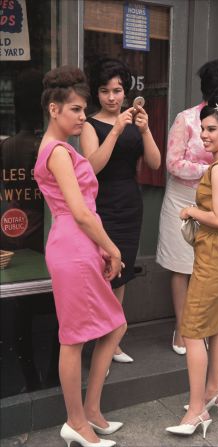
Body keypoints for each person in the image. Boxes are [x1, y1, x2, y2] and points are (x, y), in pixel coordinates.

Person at [34, 65, 127, 447]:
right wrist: (112, 247)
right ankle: (76, 420)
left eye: (82, 109)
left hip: (79, 246)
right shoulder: (56, 151)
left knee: (113, 326)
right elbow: (81, 211)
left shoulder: (63, 148)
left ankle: (90, 411)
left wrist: (101, 247)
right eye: (74, 109)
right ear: (54, 109)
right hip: (74, 246)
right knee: (73, 339)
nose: (81, 116)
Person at [166, 86, 218, 438]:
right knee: (217, 325)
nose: (204, 134)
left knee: (192, 330)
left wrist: (190, 210)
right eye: (202, 129)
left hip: (216, 251)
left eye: (212, 129)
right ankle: (214, 390)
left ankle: (198, 410)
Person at [156, 59, 218, 354]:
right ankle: (183, 329)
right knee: (182, 267)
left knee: (206, 267)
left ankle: (202, 327)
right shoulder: (186, 119)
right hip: (184, 199)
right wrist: (214, 170)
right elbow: (172, 163)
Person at [80, 58, 160, 363]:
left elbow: (154, 163)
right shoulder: (90, 124)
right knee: (102, 273)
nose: (112, 97)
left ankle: (113, 341)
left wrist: (146, 130)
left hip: (130, 204)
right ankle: (100, 341)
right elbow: (91, 168)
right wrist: (115, 131)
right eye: (104, 91)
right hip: (101, 206)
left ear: (125, 90)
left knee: (122, 274)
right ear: (96, 93)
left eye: (117, 90)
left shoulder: (135, 122)